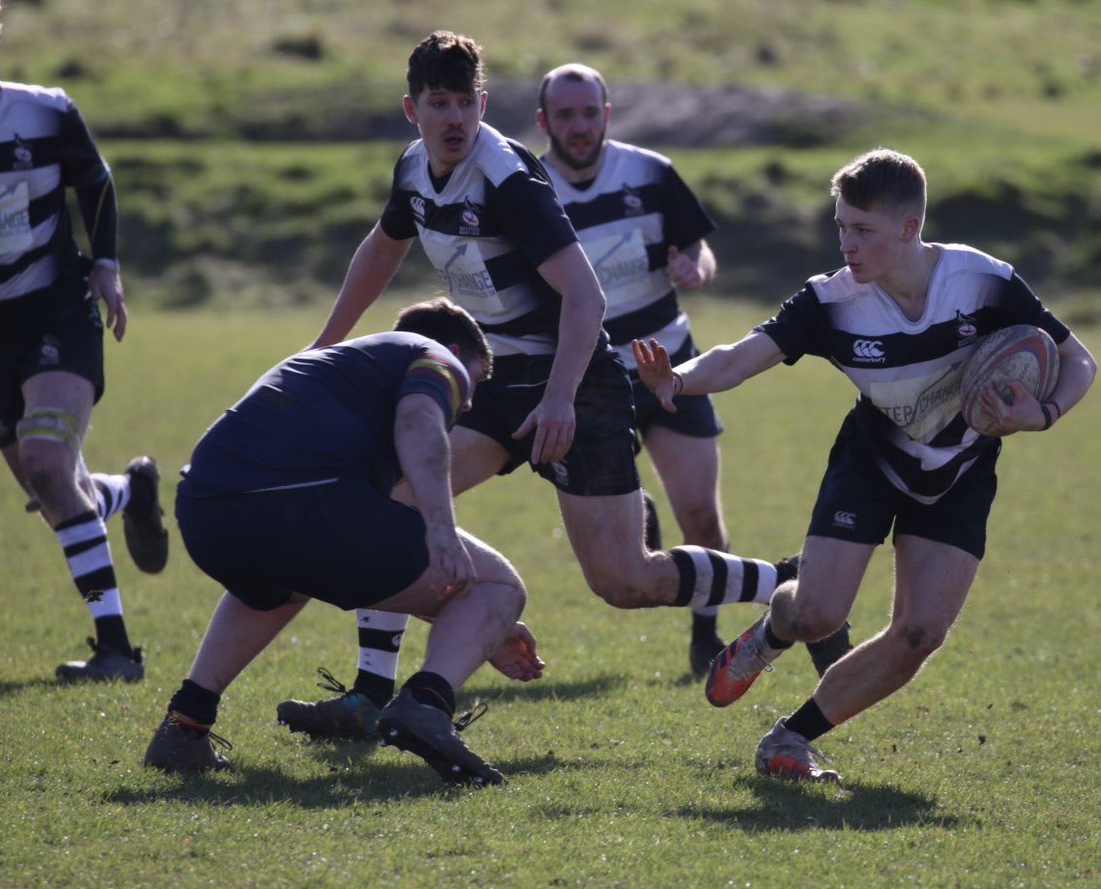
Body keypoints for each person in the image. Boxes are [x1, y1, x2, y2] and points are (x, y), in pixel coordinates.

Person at [276, 32, 803, 742]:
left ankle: (790, 587)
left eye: (466, 102)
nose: (455, 118)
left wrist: (559, 398)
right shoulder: (412, 168)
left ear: (484, 103)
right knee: (395, 500)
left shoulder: (506, 179)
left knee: (623, 580)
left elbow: (586, 298)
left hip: (576, 377)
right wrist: (326, 342)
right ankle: (372, 694)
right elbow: (383, 246)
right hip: (494, 375)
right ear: (413, 109)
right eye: (440, 103)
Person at [635, 147, 1096, 782]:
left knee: (919, 636)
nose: (847, 244)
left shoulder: (982, 281)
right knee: (817, 615)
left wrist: (1040, 416)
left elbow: (1080, 363)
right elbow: (741, 356)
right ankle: (774, 632)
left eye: (864, 230)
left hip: (962, 469)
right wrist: (678, 382)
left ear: (909, 229)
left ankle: (789, 739)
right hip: (873, 459)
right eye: (842, 227)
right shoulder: (831, 301)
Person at [143, 299, 545, 785]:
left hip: (205, 512)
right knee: (498, 586)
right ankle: (426, 706)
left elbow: (363, 565)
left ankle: (185, 726)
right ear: (457, 350)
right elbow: (419, 419)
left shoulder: (338, 366)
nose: (469, 402)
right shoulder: (439, 358)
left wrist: (479, 628)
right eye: (475, 383)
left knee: (277, 584)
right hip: (301, 508)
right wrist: (443, 534)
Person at [534, 62, 851, 677]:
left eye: (589, 112)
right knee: (586, 493)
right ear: (544, 120)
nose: (579, 125)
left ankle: (706, 635)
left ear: (608, 113)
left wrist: (696, 271)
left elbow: (697, 249)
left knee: (701, 512)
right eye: (565, 115)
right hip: (590, 376)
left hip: (672, 359)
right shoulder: (529, 189)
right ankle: (639, 506)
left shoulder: (650, 172)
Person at [0, 0, 168, 682]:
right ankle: (130, 493)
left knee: (49, 465)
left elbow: (97, 183)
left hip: (57, 307)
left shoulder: (45, 111)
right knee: (56, 494)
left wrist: (106, 265)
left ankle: (117, 652)